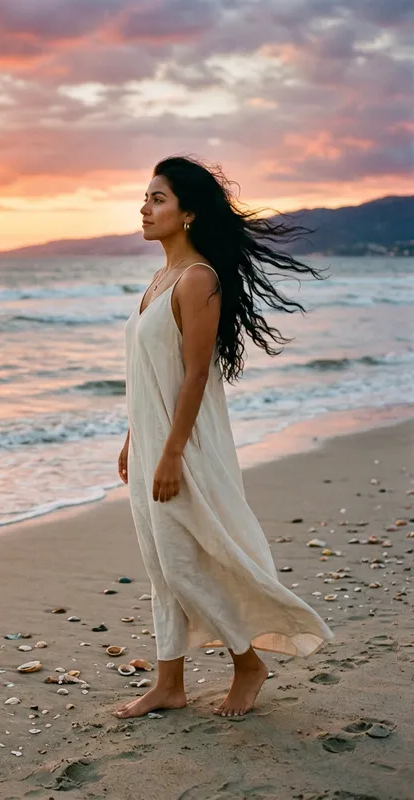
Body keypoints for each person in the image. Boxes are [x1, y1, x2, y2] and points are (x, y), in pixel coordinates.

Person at [113, 155, 334, 720]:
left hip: (183, 450)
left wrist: (169, 453)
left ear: (187, 214)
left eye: (157, 198)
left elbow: (194, 375)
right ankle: (169, 684)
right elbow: (148, 376)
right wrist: (133, 439)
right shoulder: (159, 280)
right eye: (145, 196)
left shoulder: (198, 279)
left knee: (188, 564)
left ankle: (248, 663)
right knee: (162, 566)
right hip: (152, 446)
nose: (144, 206)